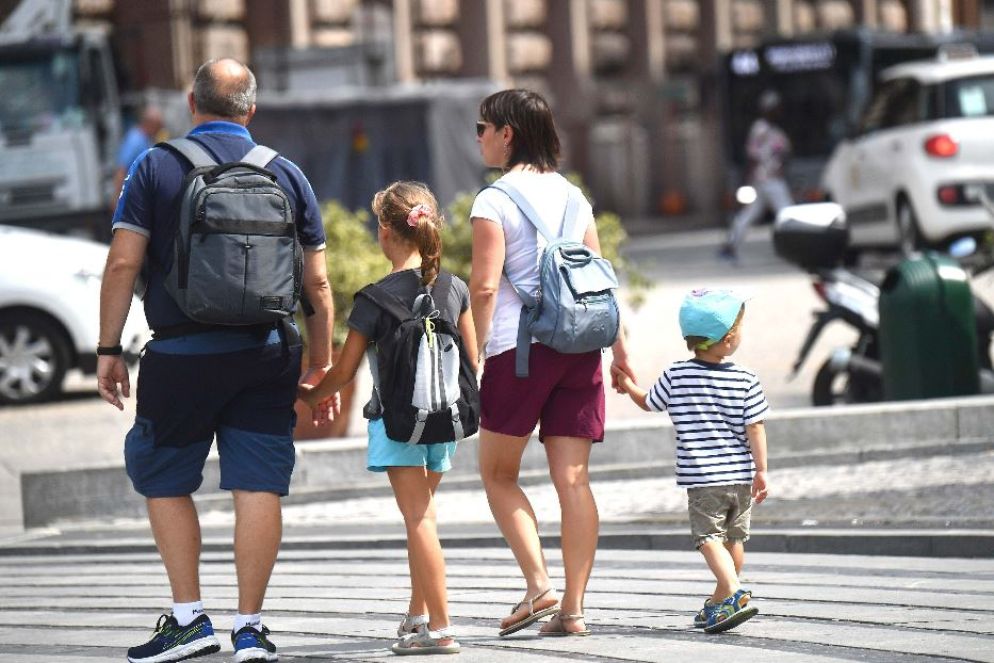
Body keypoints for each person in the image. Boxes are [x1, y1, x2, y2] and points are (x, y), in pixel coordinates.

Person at [97, 58, 336, 663]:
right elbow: (319, 284)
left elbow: (124, 263)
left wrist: (107, 349)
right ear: (251, 110)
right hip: (267, 353)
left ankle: (188, 620)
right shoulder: (287, 173)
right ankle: (251, 628)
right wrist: (321, 364)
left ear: (190, 102)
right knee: (257, 484)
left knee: (164, 476)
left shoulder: (156, 166)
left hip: (182, 354)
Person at [469, 89, 633, 637]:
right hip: (582, 348)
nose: (480, 137)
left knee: (497, 474)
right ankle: (574, 611)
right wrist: (621, 352)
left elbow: (486, 287)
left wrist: (472, 357)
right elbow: (600, 280)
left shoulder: (494, 200)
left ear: (507, 133)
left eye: (482, 127)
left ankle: (540, 588)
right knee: (574, 480)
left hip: (520, 353)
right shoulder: (574, 196)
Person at [299, 181, 475, 656]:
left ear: (385, 231)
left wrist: (310, 395)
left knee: (418, 519)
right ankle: (419, 614)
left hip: (398, 422)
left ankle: (440, 628)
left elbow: (344, 373)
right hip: (445, 420)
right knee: (424, 517)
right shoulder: (455, 286)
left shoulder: (374, 299)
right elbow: (473, 361)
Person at [611, 288, 769, 634]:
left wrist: (626, 382)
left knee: (707, 538)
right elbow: (755, 427)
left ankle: (732, 593)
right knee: (733, 540)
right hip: (740, 476)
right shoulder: (746, 379)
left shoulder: (677, 375)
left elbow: (648, 402)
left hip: (703, 479)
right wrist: (761, 470)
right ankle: (721, 600)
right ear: (729, 339)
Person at [719, 90, 793, 262]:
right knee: (787, 212)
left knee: (751, 213)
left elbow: (784, 152)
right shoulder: (760, 128)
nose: (778, 111)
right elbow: (752, 155)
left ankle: (731, 244)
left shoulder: (774, 130)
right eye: (775, 108)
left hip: (768, 178)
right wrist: (747, 178)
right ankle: (800, 244)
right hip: (767, 179)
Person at [112, 105, 164, 212]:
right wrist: (117, 199)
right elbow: (122, 170)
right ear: (150, 124)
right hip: (132, 200)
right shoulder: (135, 140)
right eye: (158, 127)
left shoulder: (146, 139)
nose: (159, 131)